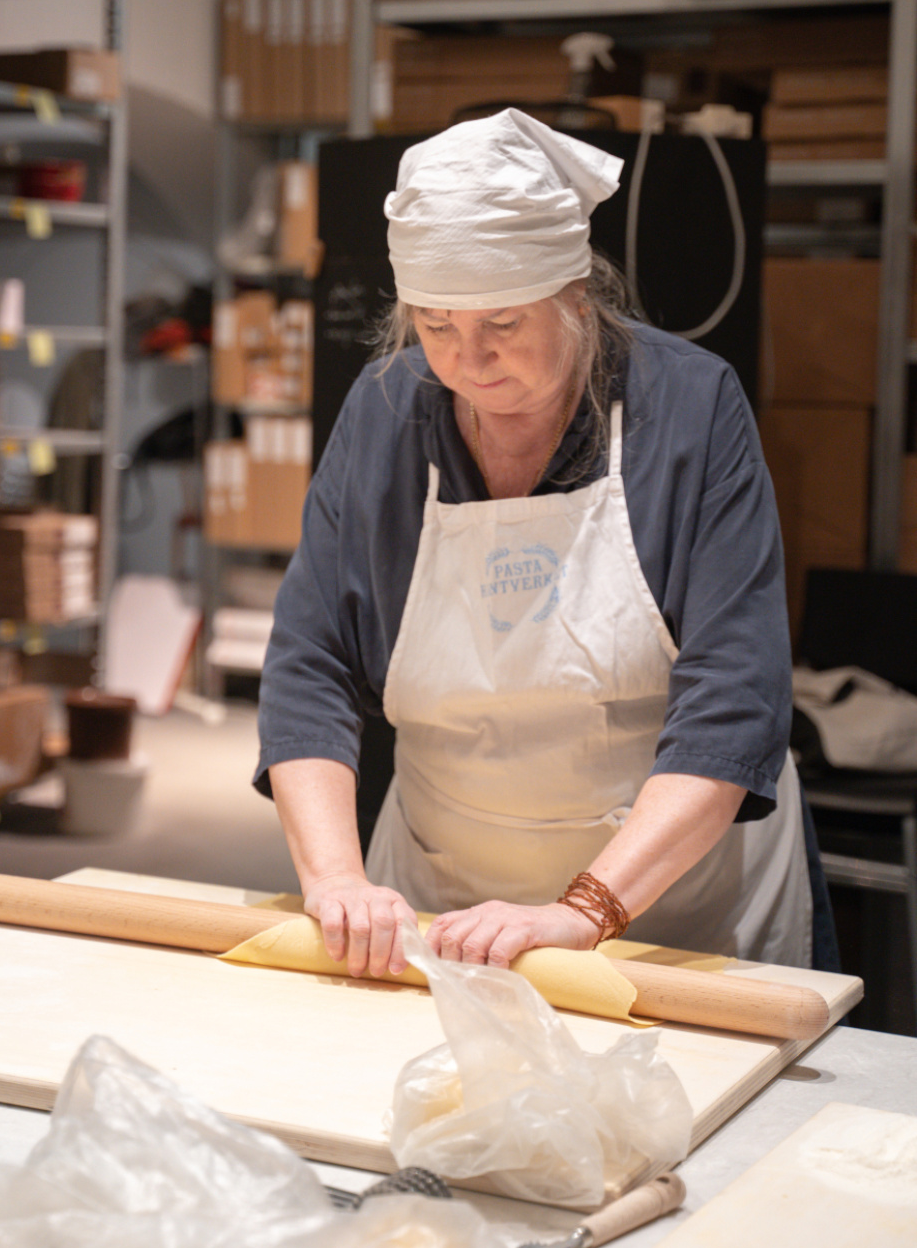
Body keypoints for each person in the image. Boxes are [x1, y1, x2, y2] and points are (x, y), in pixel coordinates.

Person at [255, 108, 825, 984]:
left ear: (575, 292)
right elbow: (310, 661)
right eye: (436, 326)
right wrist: (334, 881)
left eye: (505, 325)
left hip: (669, 912)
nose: (469, 361)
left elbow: (735, 699)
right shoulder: (386, 412)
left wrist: (582, 911)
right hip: (441, 904)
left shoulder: (691, 407)